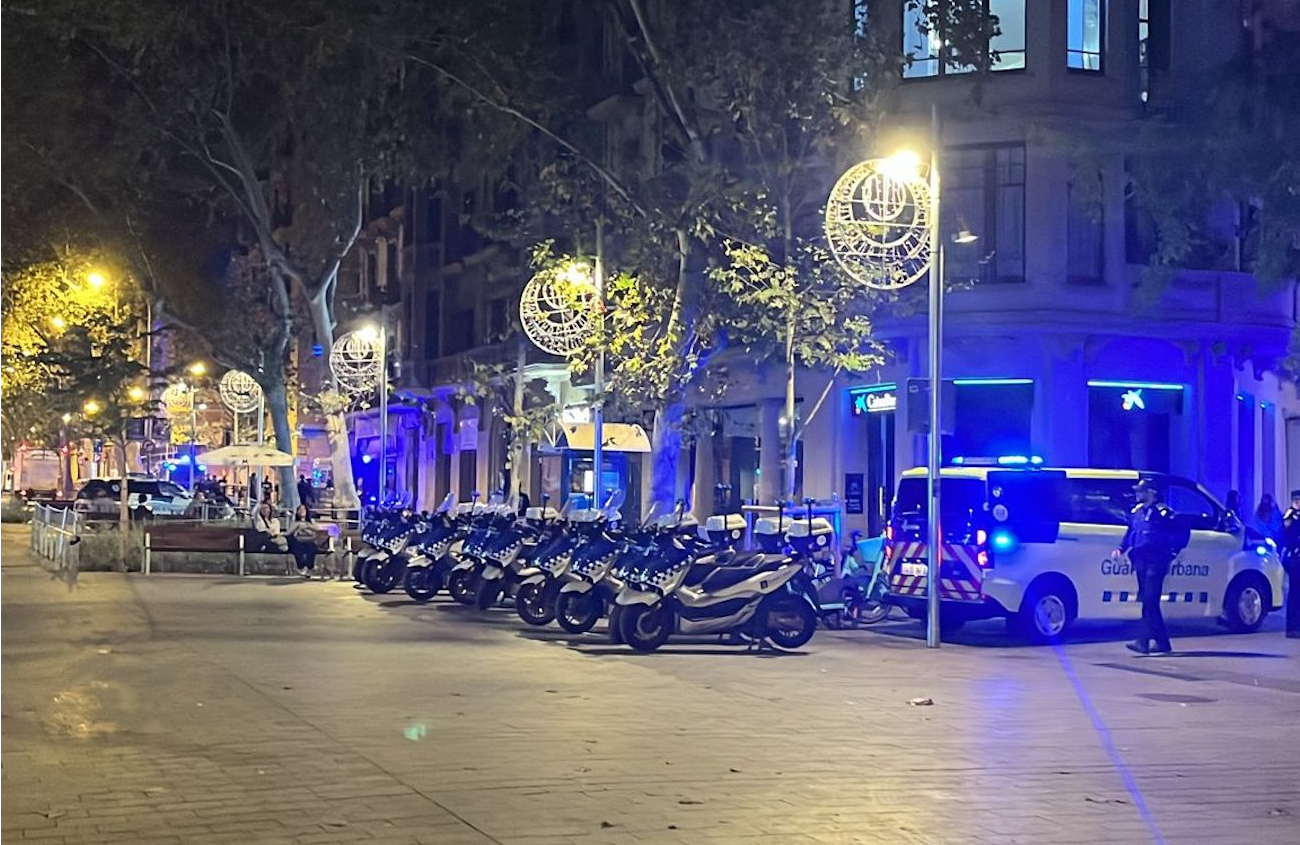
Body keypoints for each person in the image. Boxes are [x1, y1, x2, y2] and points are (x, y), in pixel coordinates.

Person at [1113, 479, 1182, 655]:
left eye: (1141, 491)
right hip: (1141, 560)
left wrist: (1172, 553)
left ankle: (1142, 642)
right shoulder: (1137, 512)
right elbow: (1131, 532)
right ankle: (1162, 643)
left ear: (1151, 492)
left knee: (1150, 600)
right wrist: (1121, 549)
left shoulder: (1164, 513)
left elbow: (1180, 534)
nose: (1138, 494)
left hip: (1156, 560)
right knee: (1148, 600)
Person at [1281, 490, 1300, 639]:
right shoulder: (1290, 515)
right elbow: (1286, 534)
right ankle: (1292, 627)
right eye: (1296, 500)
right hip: (1294, 558)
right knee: (1295, 592)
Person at [287, 504, 320, 577]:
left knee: (311, 547)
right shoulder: (294, 522)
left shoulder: (311, 521)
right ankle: (301, 566)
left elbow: (316, 531)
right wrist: (298, 526)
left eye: (303, 509)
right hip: (298, 540)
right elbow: (288, 532)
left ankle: (310, 567)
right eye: (300, 509)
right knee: (296, 547)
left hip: (309, 540)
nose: (302, 511)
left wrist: (307, 527)